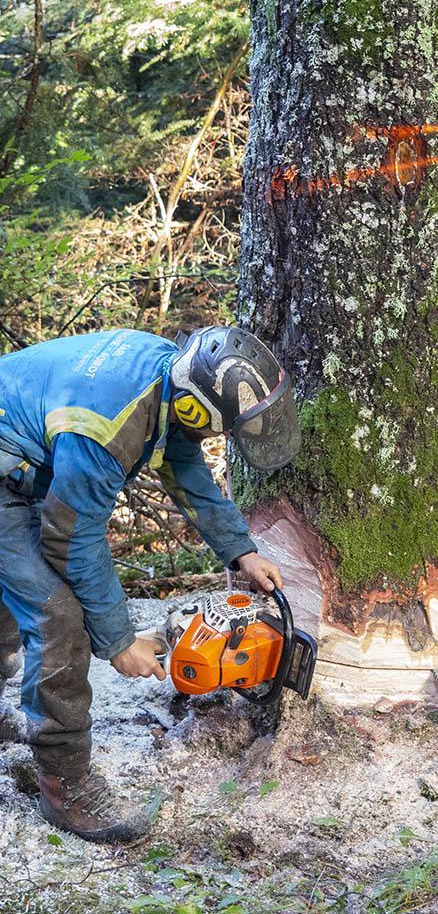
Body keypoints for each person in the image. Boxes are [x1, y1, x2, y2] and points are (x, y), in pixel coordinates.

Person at [0, 325, 301, 844]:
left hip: (27, 458)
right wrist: (118, 642)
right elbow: (70, 541)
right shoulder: (106, 424)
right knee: (57, 611)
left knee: (18, 584)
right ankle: (64, 785)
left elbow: (183, 464)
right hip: (10, 467)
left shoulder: (167, 376)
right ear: (193, 407)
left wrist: (241, 550)